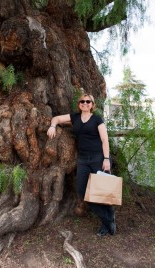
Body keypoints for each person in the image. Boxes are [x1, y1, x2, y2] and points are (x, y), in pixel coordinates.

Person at [47, 93, 116, 236]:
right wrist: (53, 126)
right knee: (82, 190)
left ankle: (106, 222)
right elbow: (57, 118)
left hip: (98, 158)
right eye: (82, 101)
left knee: (102, 191)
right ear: (79, 104)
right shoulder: (75, 117)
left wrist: (106, 159)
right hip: (83, 160)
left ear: (92, 104)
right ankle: (109, 219)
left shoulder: (97, 119)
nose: (85, 103)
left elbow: (105, 140)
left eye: (88, 101)